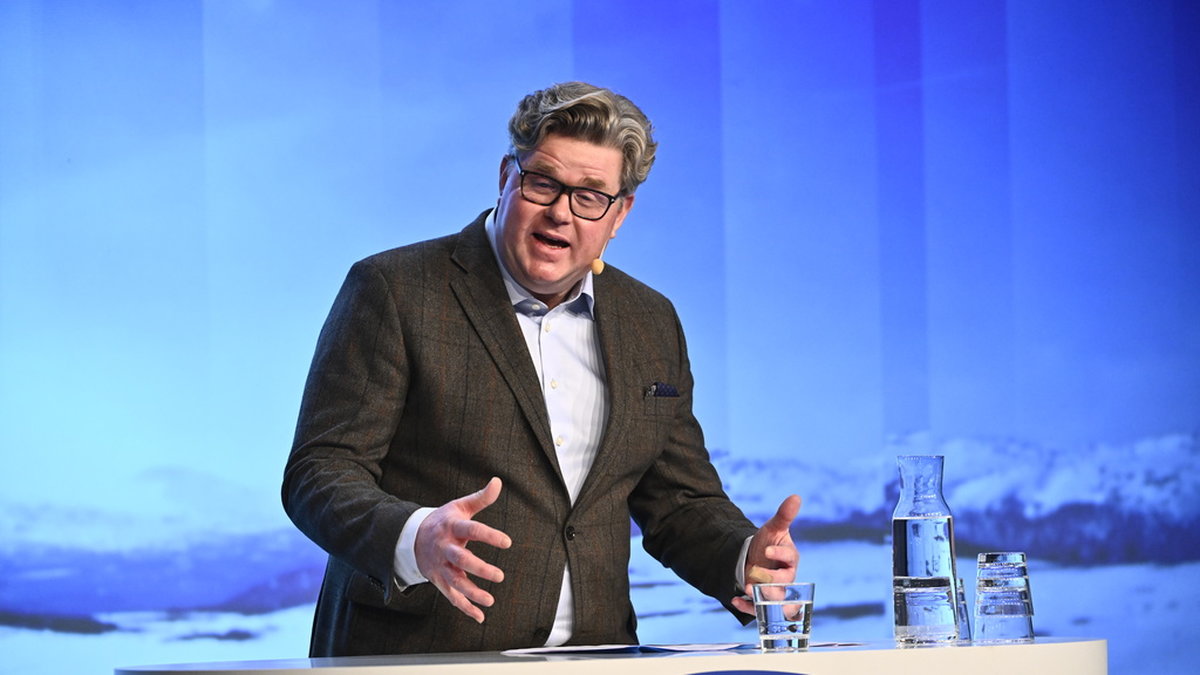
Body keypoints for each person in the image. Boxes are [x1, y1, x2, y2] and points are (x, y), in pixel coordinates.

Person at [282, 81, 802, 657]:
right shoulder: (396, 290)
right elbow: (320, 473)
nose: (560, 212)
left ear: (620, 213)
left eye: (590, 196)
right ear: (507, 176)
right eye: (543, 183)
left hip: (596, 659)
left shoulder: (650, 321)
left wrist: (743, 557)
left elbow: (678, 501)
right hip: (420, 655)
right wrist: (415, 536)